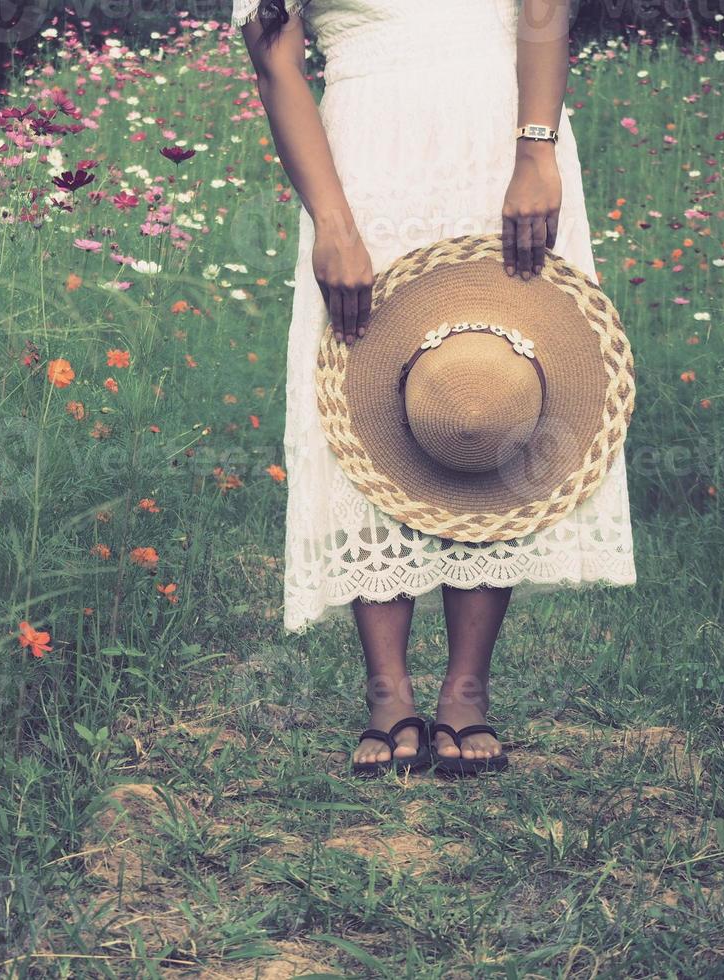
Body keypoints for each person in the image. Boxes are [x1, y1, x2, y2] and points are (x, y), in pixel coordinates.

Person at [233, 0, 637, 773]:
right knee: (369, 389)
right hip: (363, 152)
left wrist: (536, 149)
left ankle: (466, 694)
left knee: (493, 391)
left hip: (500, 129)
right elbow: (273, 54)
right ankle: (387, 696)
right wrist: (332, 221)